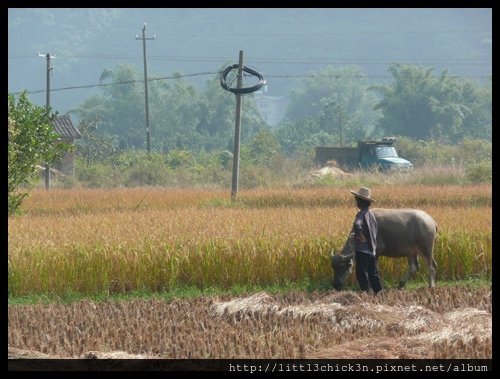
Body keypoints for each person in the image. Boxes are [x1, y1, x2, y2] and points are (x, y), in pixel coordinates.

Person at [350, 187, 383, 294]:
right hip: (371, 250)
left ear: (361, 202)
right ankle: (379, 292)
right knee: (373, 272)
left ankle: (366, 292)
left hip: (362, 250)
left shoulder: (361, 214)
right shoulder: (371, 215)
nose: (356, 203)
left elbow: (357, 225)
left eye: (357, 200)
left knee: (361, 272)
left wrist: (360, 236)